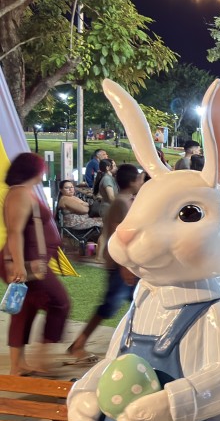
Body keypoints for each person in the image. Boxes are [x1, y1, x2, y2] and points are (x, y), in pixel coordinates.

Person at [2, 153, 73, 375]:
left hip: (30, 261)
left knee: (25, 310)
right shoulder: (20, 194)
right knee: (60, 303)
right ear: (35, 170)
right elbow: (15, 232)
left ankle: (18, 364)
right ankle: (42, 359)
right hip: (28, 263)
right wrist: (19, 265)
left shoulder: (24, 192)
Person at [68, 164, 144, 357]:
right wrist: (124, 266)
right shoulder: (121, 203)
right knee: (109, 307)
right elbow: (120, 233)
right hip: (121, 264)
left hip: (127, 264)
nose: (141, 182)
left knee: (138, 304)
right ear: (132, 181)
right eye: (139, 179)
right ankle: (79, 343)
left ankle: (136, 344)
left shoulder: (128, 201)